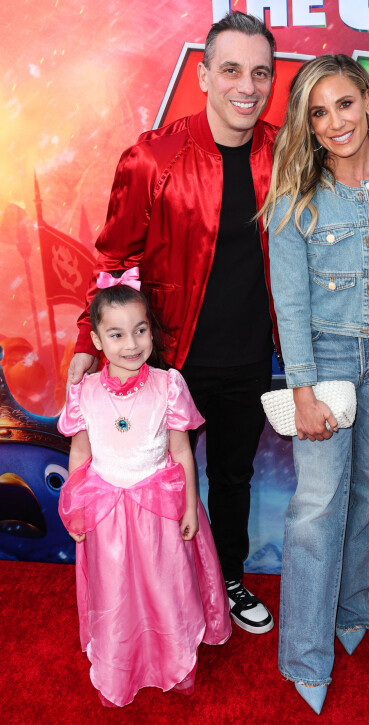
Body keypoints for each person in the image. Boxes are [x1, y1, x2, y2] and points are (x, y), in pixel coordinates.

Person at [66, 11, 279, 634]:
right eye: (232, 69)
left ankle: (230, 579)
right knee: (157, 481)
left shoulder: (283, 155)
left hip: (248, 359)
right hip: (165, 361)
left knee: (232, 478)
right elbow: (114, 259)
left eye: (260, 72)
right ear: (205, 76)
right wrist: (88, 339)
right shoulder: (152, 157)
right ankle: (161, 591)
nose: (247, 85)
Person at [261, 54, 369, 713]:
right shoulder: (294, 198)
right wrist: (303, 388)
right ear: (306, 126)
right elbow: (291, 302)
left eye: (342, 103)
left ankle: (352, 607)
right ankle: (307, 654)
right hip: (326, 359)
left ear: (367, 100)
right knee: (317, 502)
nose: (334, 121)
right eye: (317, 112)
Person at [57, 269, 231, 707]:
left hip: (159, 504)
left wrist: (190, 507)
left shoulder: (169, 385)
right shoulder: (84, 392)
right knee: (116, 590)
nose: (131, 344)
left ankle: (171, 654)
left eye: (140, 330)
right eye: (116, 335)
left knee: (165, 585)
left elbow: (183, 451)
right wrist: (76, 507)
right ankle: (123, 657)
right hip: (106, 509)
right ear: (96, 341)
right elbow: (80, 454)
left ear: (151, 331)